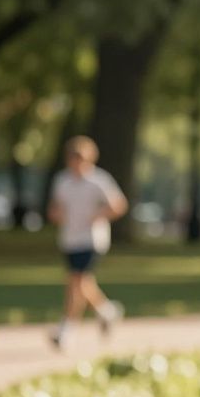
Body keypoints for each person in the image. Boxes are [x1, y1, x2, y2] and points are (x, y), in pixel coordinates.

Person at [46, 136, 127, 349]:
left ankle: (66, 329)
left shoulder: (99, 180)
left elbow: (118, 204)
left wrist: (99, 215)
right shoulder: (62, 181)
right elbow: (55, 207)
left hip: (92, 239)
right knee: (82, 283)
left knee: (76, 281)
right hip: (70, 238)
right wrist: (56, 214)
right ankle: (106, 311)